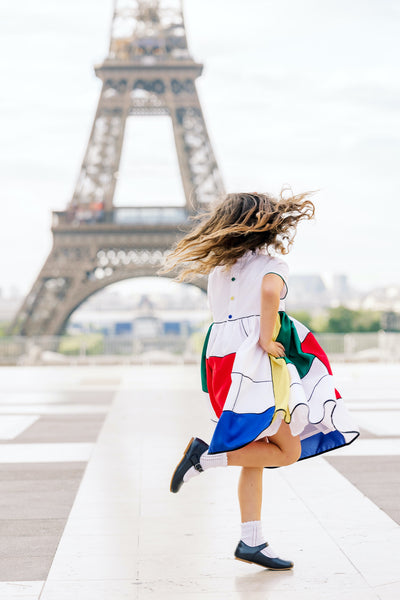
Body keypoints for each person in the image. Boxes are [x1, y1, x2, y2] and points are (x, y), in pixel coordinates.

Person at [161, 191, 359, 570]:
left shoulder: (218, 270)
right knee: (288, 451)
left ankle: (252, 540)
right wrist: (268, 338)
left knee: (256, 454)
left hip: (223, 362)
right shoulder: (272, 265)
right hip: (257, 364)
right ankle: (205, 459)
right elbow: (269, 292)